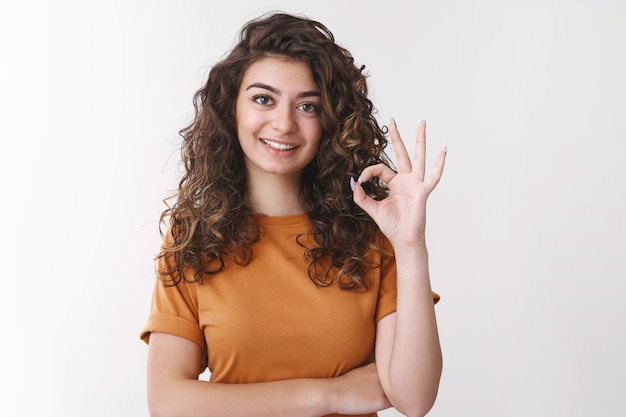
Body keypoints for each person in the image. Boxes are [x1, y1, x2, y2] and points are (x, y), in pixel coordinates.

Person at [140, 11, 446, 417]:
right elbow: (168, 403)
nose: (283, 124)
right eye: (263, 99)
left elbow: (414, 398)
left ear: (329, 121)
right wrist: (330, 395)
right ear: (232, 107)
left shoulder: (371, 231)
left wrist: (410, 248)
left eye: (307, 106)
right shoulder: (194, 234)